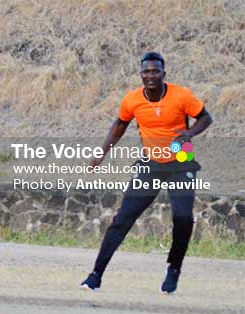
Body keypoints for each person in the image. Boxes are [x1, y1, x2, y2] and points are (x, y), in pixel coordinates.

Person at [80, 52, 213, 294]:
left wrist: (190, 134)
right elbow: (119, 125)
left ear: (164, 73)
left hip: (181, 162)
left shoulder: (181, 95)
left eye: (155, 71)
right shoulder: (132, 100)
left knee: (183, 218)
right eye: (146, 71)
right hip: (150, 164)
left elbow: (206, 118)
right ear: (141, 74)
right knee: (122, 220)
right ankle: (95, 275)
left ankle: (173, 269)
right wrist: (102, 152)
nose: (150, 75)